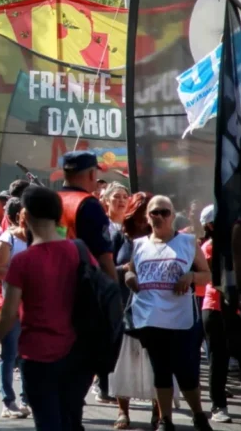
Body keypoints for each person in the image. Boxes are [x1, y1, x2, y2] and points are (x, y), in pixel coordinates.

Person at [0, 185, 97, 430]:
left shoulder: (23, 261)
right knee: (71, 419)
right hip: (78, 354)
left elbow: (9, 310)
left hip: (38, 356)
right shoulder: (80, 251)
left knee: (48, 422)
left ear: (24, 216)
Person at [125, 195, 212, 431]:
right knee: (160, 369)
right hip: (150, 317)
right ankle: (166, 420)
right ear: (147, 216)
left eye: (165, 212)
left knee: (185, 370)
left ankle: (198, 415)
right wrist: (130, 278)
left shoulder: (187, 242)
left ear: (173, 216)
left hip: (180, 317)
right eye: (154, 212)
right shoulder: (140, 244)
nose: (159, 216)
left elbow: (207, 274)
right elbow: (131, 271)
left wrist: (191, 276)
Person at [58, 151, 117, 403]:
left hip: (49, 292)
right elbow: (104, 259)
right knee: (78, 372)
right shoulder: (88, 204)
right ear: (92, 174)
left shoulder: (49, 200)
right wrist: (113, 299)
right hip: (82, 296)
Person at [107, 192, 160, 430]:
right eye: (144, 210)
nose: (147, 216)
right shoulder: (120, 237)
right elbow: (106, 267)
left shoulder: (161, 239)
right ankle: (122, 411)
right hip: (123, 306)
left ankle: (158, 412)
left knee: (155, 363)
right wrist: (126, 268)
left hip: (155, 309)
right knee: (122, 363)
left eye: (152, 212)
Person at [200, 204, 241, 423]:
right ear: (211, 225)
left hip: (235, 308)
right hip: (214, 307)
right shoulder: (210, 247)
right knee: (218, 358)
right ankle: (218, 405)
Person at [0, 197, 30, 418]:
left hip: (35, 307)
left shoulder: (43, 238)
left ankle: (27, 400)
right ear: (18, 217)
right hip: (11, 304)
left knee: (30, 355)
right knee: (10, 353)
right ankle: (8, 402)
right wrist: (25, 277)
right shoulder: (8, 239)